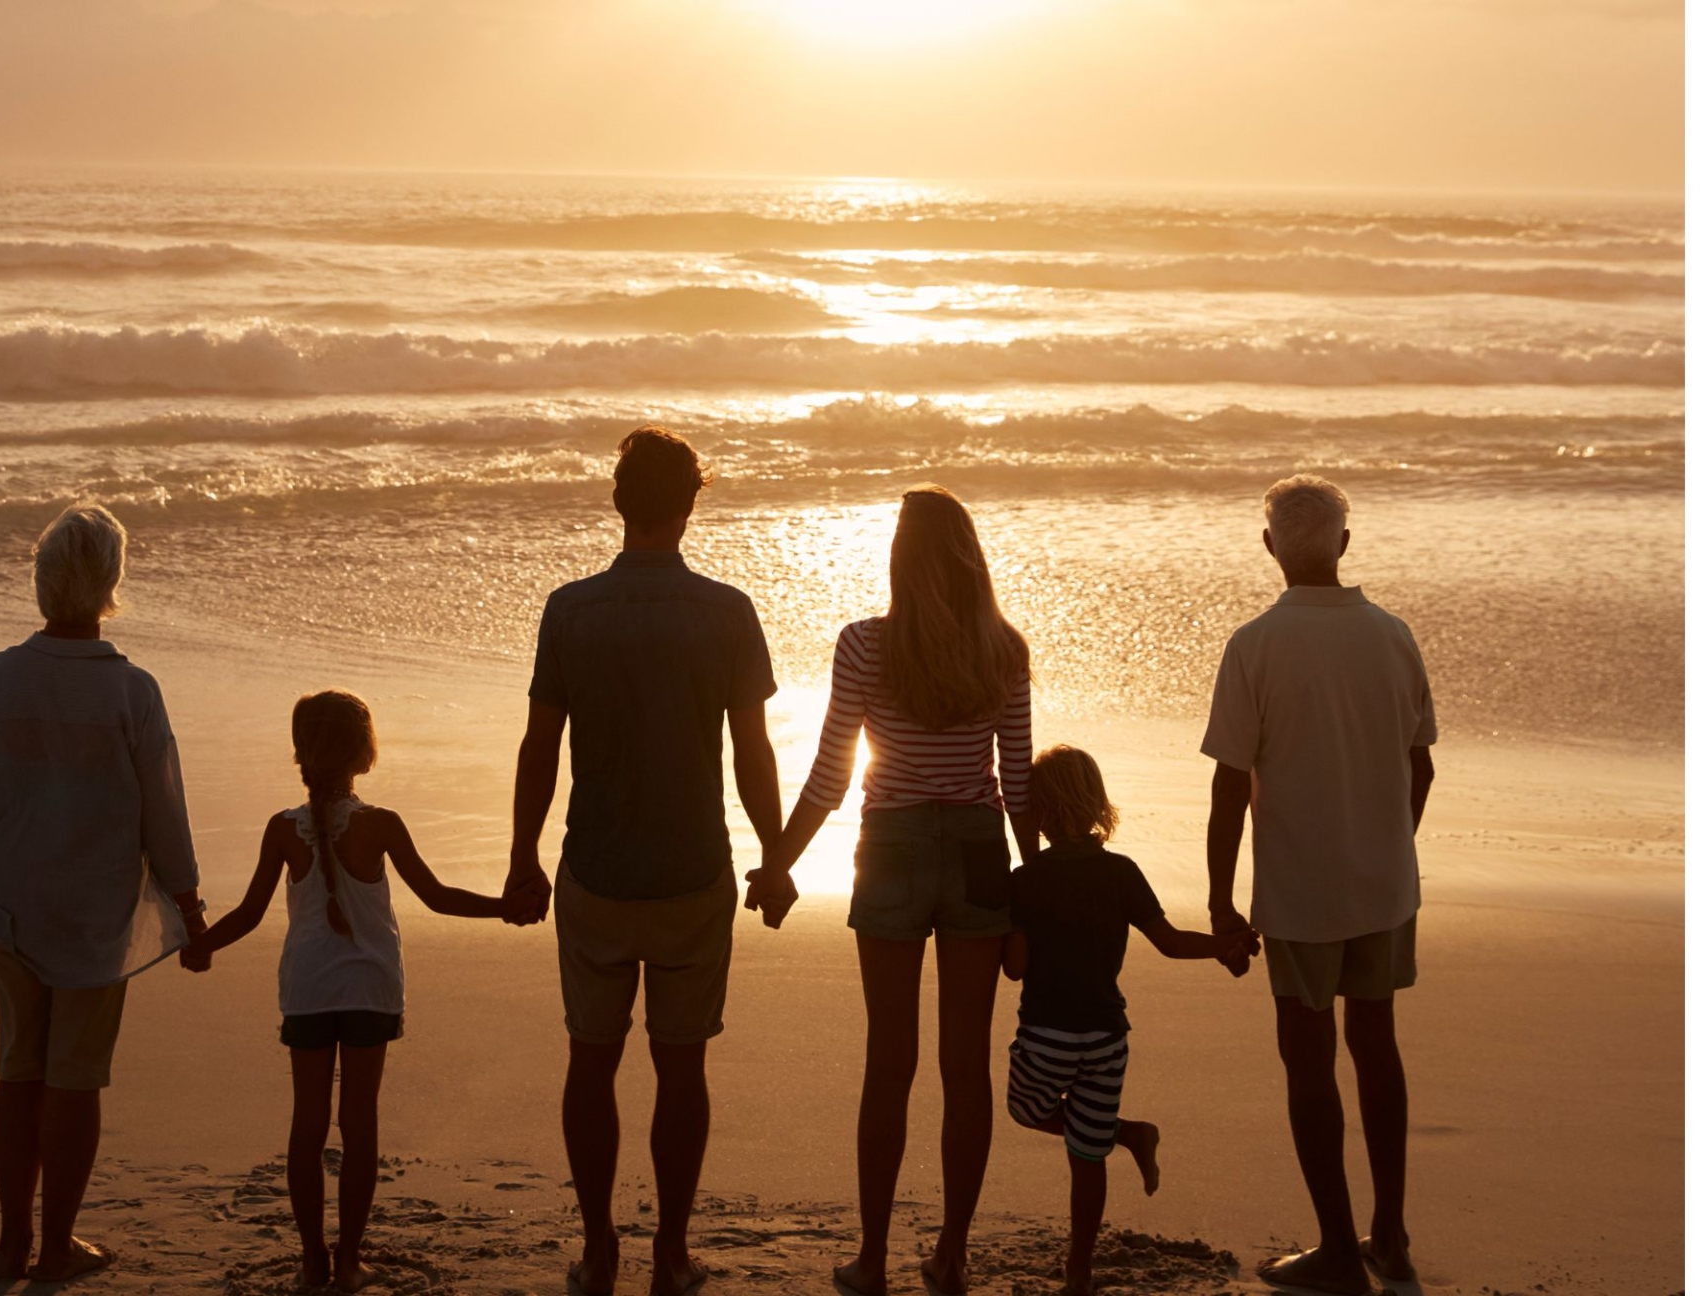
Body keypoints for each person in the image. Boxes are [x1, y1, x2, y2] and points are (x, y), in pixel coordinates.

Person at [507, 426, 784, 1296]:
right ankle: (670, 1249)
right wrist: (775, 858)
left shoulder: (570, 609)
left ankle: (599, 1250)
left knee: (591, 1059)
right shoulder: (728, 611)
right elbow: (752, 753)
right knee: (682, 1065)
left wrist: (523, 857)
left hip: (595, 865)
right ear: (690, 504)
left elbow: (539, 747)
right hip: (692, 869)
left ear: (618, 503)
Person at [750, 484, 1029, 1296]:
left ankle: (872, 1258)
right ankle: (951, 1252)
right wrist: (1032, 896)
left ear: (899, 562)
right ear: (970, 557)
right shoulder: (1003, 649)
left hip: (896, 846)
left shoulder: (866, 644)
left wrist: (780, 862)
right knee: (965, 1066)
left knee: (890, 1062)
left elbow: (834, 770)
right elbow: (1016, 781)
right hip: (980, 850)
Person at [184, 690, 542, 1292]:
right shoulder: (381, 824)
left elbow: (247, 914)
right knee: (359, 1124)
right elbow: (437, 897)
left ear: (301, 752)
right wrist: (506, 909)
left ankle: (311, 1261)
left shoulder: (280, 829)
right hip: (371, 989)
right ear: (364, 754)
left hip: (307, 989)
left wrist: (202, 946)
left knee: (307, 1124)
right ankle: (349, 1261)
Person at [0, 501, 207, 1284]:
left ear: (41, 582)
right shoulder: (132, 691)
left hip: (7, 900)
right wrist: (189, 907)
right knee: (74, 1079)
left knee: (17, 1068)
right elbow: (165, 811)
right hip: (95, 912)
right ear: (109, 587)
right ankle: (58, 1245)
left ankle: (14, 1240)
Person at [1202, 474, 1437, 1296]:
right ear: (1344, 543)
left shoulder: (1255, 645)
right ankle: (1391, 1235)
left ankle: (1341, 1250)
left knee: (1309, 1060)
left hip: (1301, 893)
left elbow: (1230, 786)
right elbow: (1421, 765)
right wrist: (1385, 845)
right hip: (1383, 884)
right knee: (1377, 1045)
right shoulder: (1393, 635)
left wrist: (1221, 900)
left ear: (1270, 548)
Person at [1001, 743, 1259, 1296]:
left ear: (1038, 813)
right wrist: (1225, 946)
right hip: (1105, 1040)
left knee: (1025, 1108)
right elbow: (1167, 942)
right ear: (1097, 805)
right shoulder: (1120, 871)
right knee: (1086, 1154)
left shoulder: (1026, 880)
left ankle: (1130, 1134)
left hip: (1046, 1035)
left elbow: (1016, 971)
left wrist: (1006, 929)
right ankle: (1080, 1271)